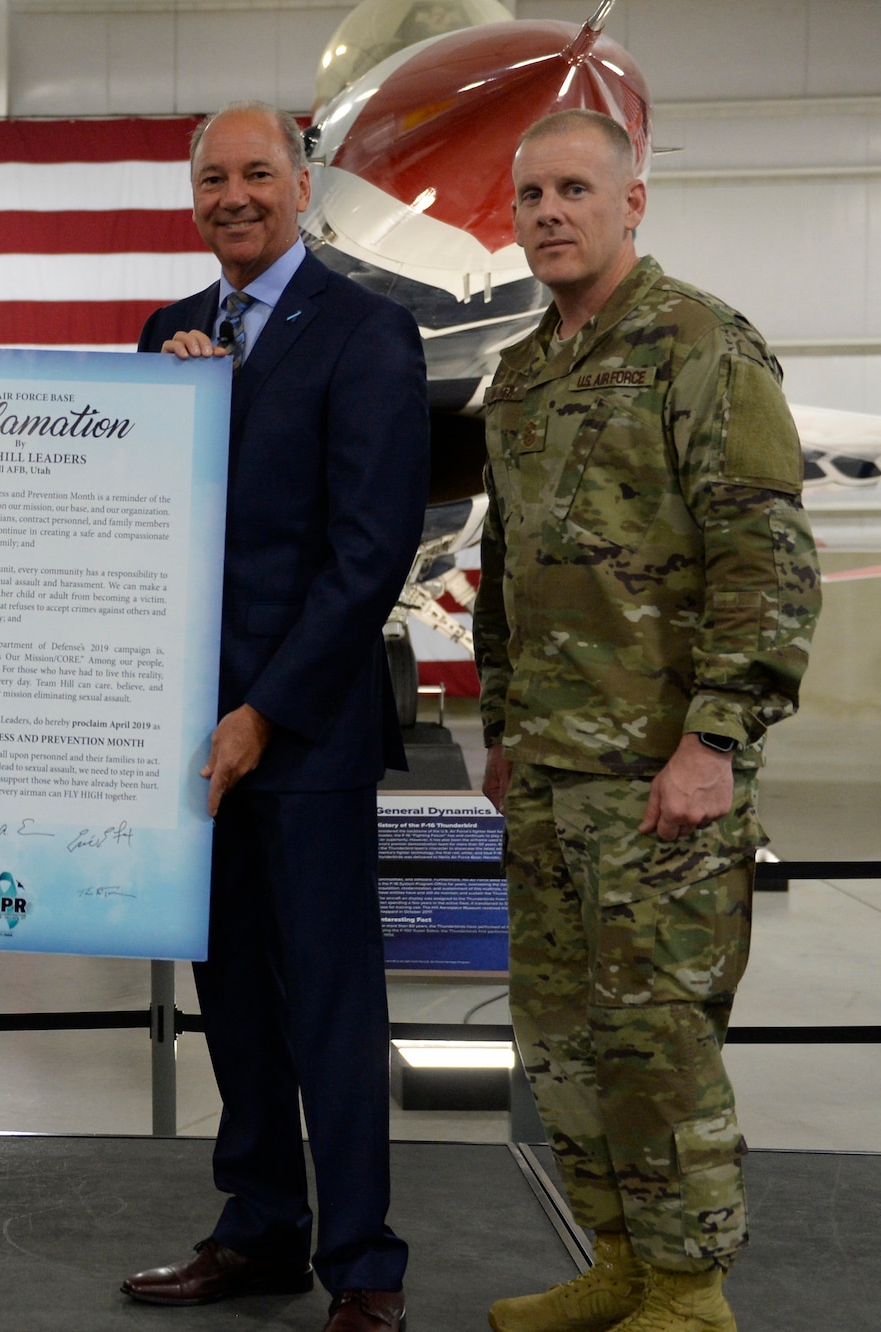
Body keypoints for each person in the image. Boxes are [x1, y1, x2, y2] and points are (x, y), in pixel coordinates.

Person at [477, 109, 819, 1332]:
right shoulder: (520, 374)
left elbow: (763, 560)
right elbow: (508, 575)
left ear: (631, 202)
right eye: (528, 196)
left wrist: (713, 739)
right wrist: (503, 728)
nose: (547, 214)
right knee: (563, 1042)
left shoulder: (698, 345)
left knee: (657, 1043)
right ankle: (614, 1259)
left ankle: (687, 1286)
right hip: (550, 777)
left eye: (572, 188)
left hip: (656, 779)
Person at [120, 102, 429, 1332]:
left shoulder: (366, 334)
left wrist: (261, 711)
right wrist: (173, 403)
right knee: (231, 996)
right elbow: (137, 516)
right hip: (185, 741)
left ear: (301, 187)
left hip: (298, 738)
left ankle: (364, 1263)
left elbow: (367, 558)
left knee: (329, 1006)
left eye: (256, 173)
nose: (233, 194)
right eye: (212, 178)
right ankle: (257, 1230)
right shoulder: (168, 333)